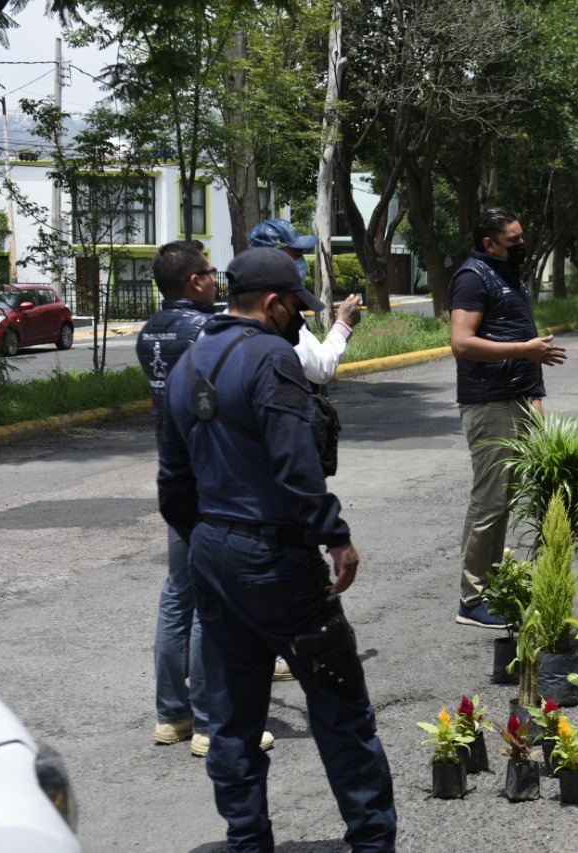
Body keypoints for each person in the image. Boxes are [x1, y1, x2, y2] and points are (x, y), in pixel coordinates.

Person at [157, 247, 396, 852]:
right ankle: (372, 843)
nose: (300, 318)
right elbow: (295, 464)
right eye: (297, 307)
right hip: (273, 557)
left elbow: (172, 481)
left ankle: (247, 841)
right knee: (341, 705)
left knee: (235, 717)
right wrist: (334, 536)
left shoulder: (187, 364)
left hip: (211, 550)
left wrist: (210, 540)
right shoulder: (270, 356)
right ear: (273, 303)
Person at [136, 240, 276, 756]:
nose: (218, 281)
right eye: (213, 273)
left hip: (174, 472)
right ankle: (212, 723)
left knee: (178, 595)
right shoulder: (206, 332)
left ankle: (171, 714)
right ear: (196, 282)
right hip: (212, 479)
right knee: (210, 600)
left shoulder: (151, 330)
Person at [248, 217, 360, 680]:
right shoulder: (281, 329)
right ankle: (287, 647)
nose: (300, 267)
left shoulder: (220, 333)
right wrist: (343, 325)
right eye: (293, 258)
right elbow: (321, 367)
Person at [449, 208, 567, 628]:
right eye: (514, 240)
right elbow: (462, 342)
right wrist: (525, 352)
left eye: (521, 237)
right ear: (489, 243)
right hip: (488, 403)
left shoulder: (507, 274)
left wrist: (533, 395)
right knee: (489, 500)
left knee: (504, 501)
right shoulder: (472, 277)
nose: (522, 245)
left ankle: (492, 591)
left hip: (515, 399)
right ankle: (471, 599)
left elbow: (518, 335)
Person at [248, 218, 362, 384]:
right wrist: (343, 323)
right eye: (296, 255)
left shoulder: (236, 308)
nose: (301, 262)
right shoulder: (281, 311)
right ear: (273, 258)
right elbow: (321, 368)